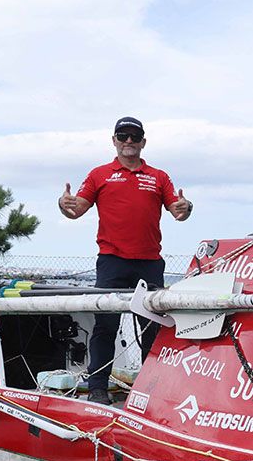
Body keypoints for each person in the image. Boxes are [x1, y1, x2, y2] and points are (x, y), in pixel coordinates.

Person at [59, 116, 192, 404]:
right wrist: (64, 204)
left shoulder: (159, 176)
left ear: (143, 142)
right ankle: (98, 387)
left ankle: (151, 390)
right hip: (111, 261)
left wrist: (186, 206)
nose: (129, 141)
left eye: (134, 136)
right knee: (105, 326)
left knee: (152, 329)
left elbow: (178, 212)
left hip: (150, 263)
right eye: (123, 136)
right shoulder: (99, 174)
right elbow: (76, 211)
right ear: (114, 141)